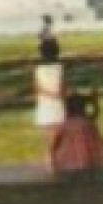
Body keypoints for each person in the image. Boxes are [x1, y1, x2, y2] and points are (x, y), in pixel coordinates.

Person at [50, 92, 103, 178]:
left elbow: (56, 143)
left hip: (68, 164)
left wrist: (54, 160)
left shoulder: (65, 125)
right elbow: (98, 142)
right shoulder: (88, 123)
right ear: (83, 108)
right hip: (87, 162)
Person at [33, 37, 67, 169]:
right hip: (57, 106)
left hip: (45, 106)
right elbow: (63, 88)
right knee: (57, 137)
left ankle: (51, 161)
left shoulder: (38, 69)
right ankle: (54, 161)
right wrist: (58, 95)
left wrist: (48, 95)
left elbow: (37, 89)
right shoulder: (60, 68)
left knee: (50, 138)